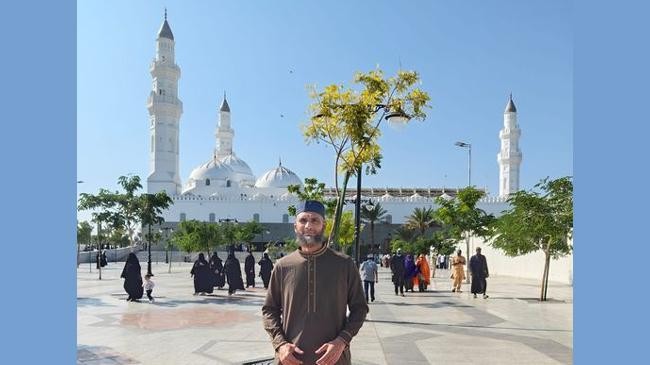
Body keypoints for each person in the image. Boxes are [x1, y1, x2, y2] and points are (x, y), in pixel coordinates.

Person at [262, 200, 368, 365]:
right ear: (295, 226)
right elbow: (269, 310)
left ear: (323, 225)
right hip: (291, 360)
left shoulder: (344, 264)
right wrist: (280, 344)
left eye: (314, 220)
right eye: (303, 220)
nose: (308, 226)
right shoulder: (283, 266)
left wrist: (342, 341)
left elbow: (360, 308)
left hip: (334, 359)